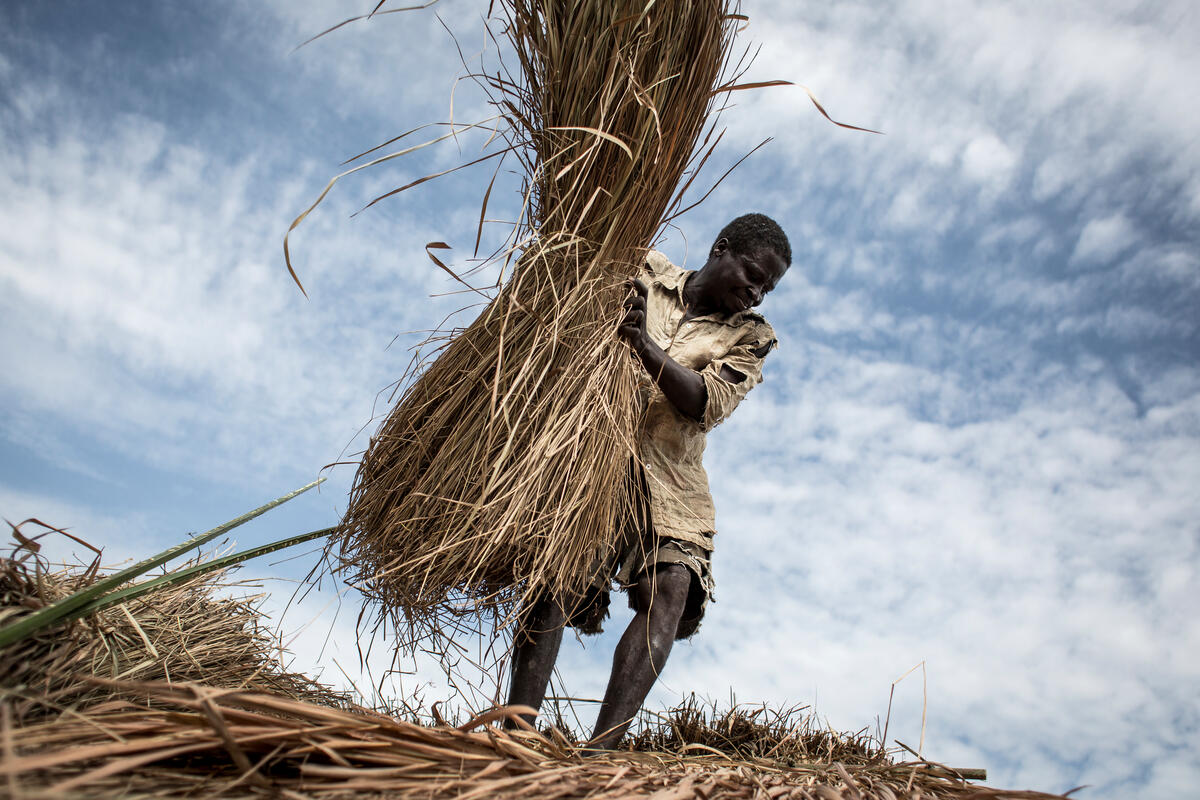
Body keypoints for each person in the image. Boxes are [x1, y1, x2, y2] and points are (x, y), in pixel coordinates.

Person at [505, 212, 791, 749]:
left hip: (671, 481)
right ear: (721, 248)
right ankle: (515, 731)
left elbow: (706, 403)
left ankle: (602, 750)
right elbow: (572, 285)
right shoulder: (643, 268)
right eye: (752, 273)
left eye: (766, 288)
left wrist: (644, 346)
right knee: (554, 576)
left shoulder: (751, 337)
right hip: (594, 458)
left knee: (671, 588)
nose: (755, 292)